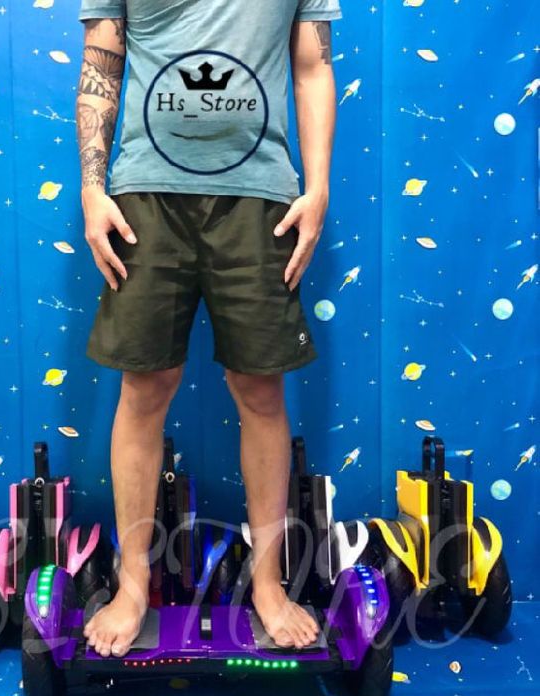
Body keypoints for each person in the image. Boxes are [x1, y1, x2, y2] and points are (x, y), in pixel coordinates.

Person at [76, 0, 342, 658]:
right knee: (144, 387)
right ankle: (132, 587)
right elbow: (102, 62)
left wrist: (318, 189)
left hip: (261, 195)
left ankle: (268, 587)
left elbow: (311, 67)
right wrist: (91, 188)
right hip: (144, 192)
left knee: (261, 389)